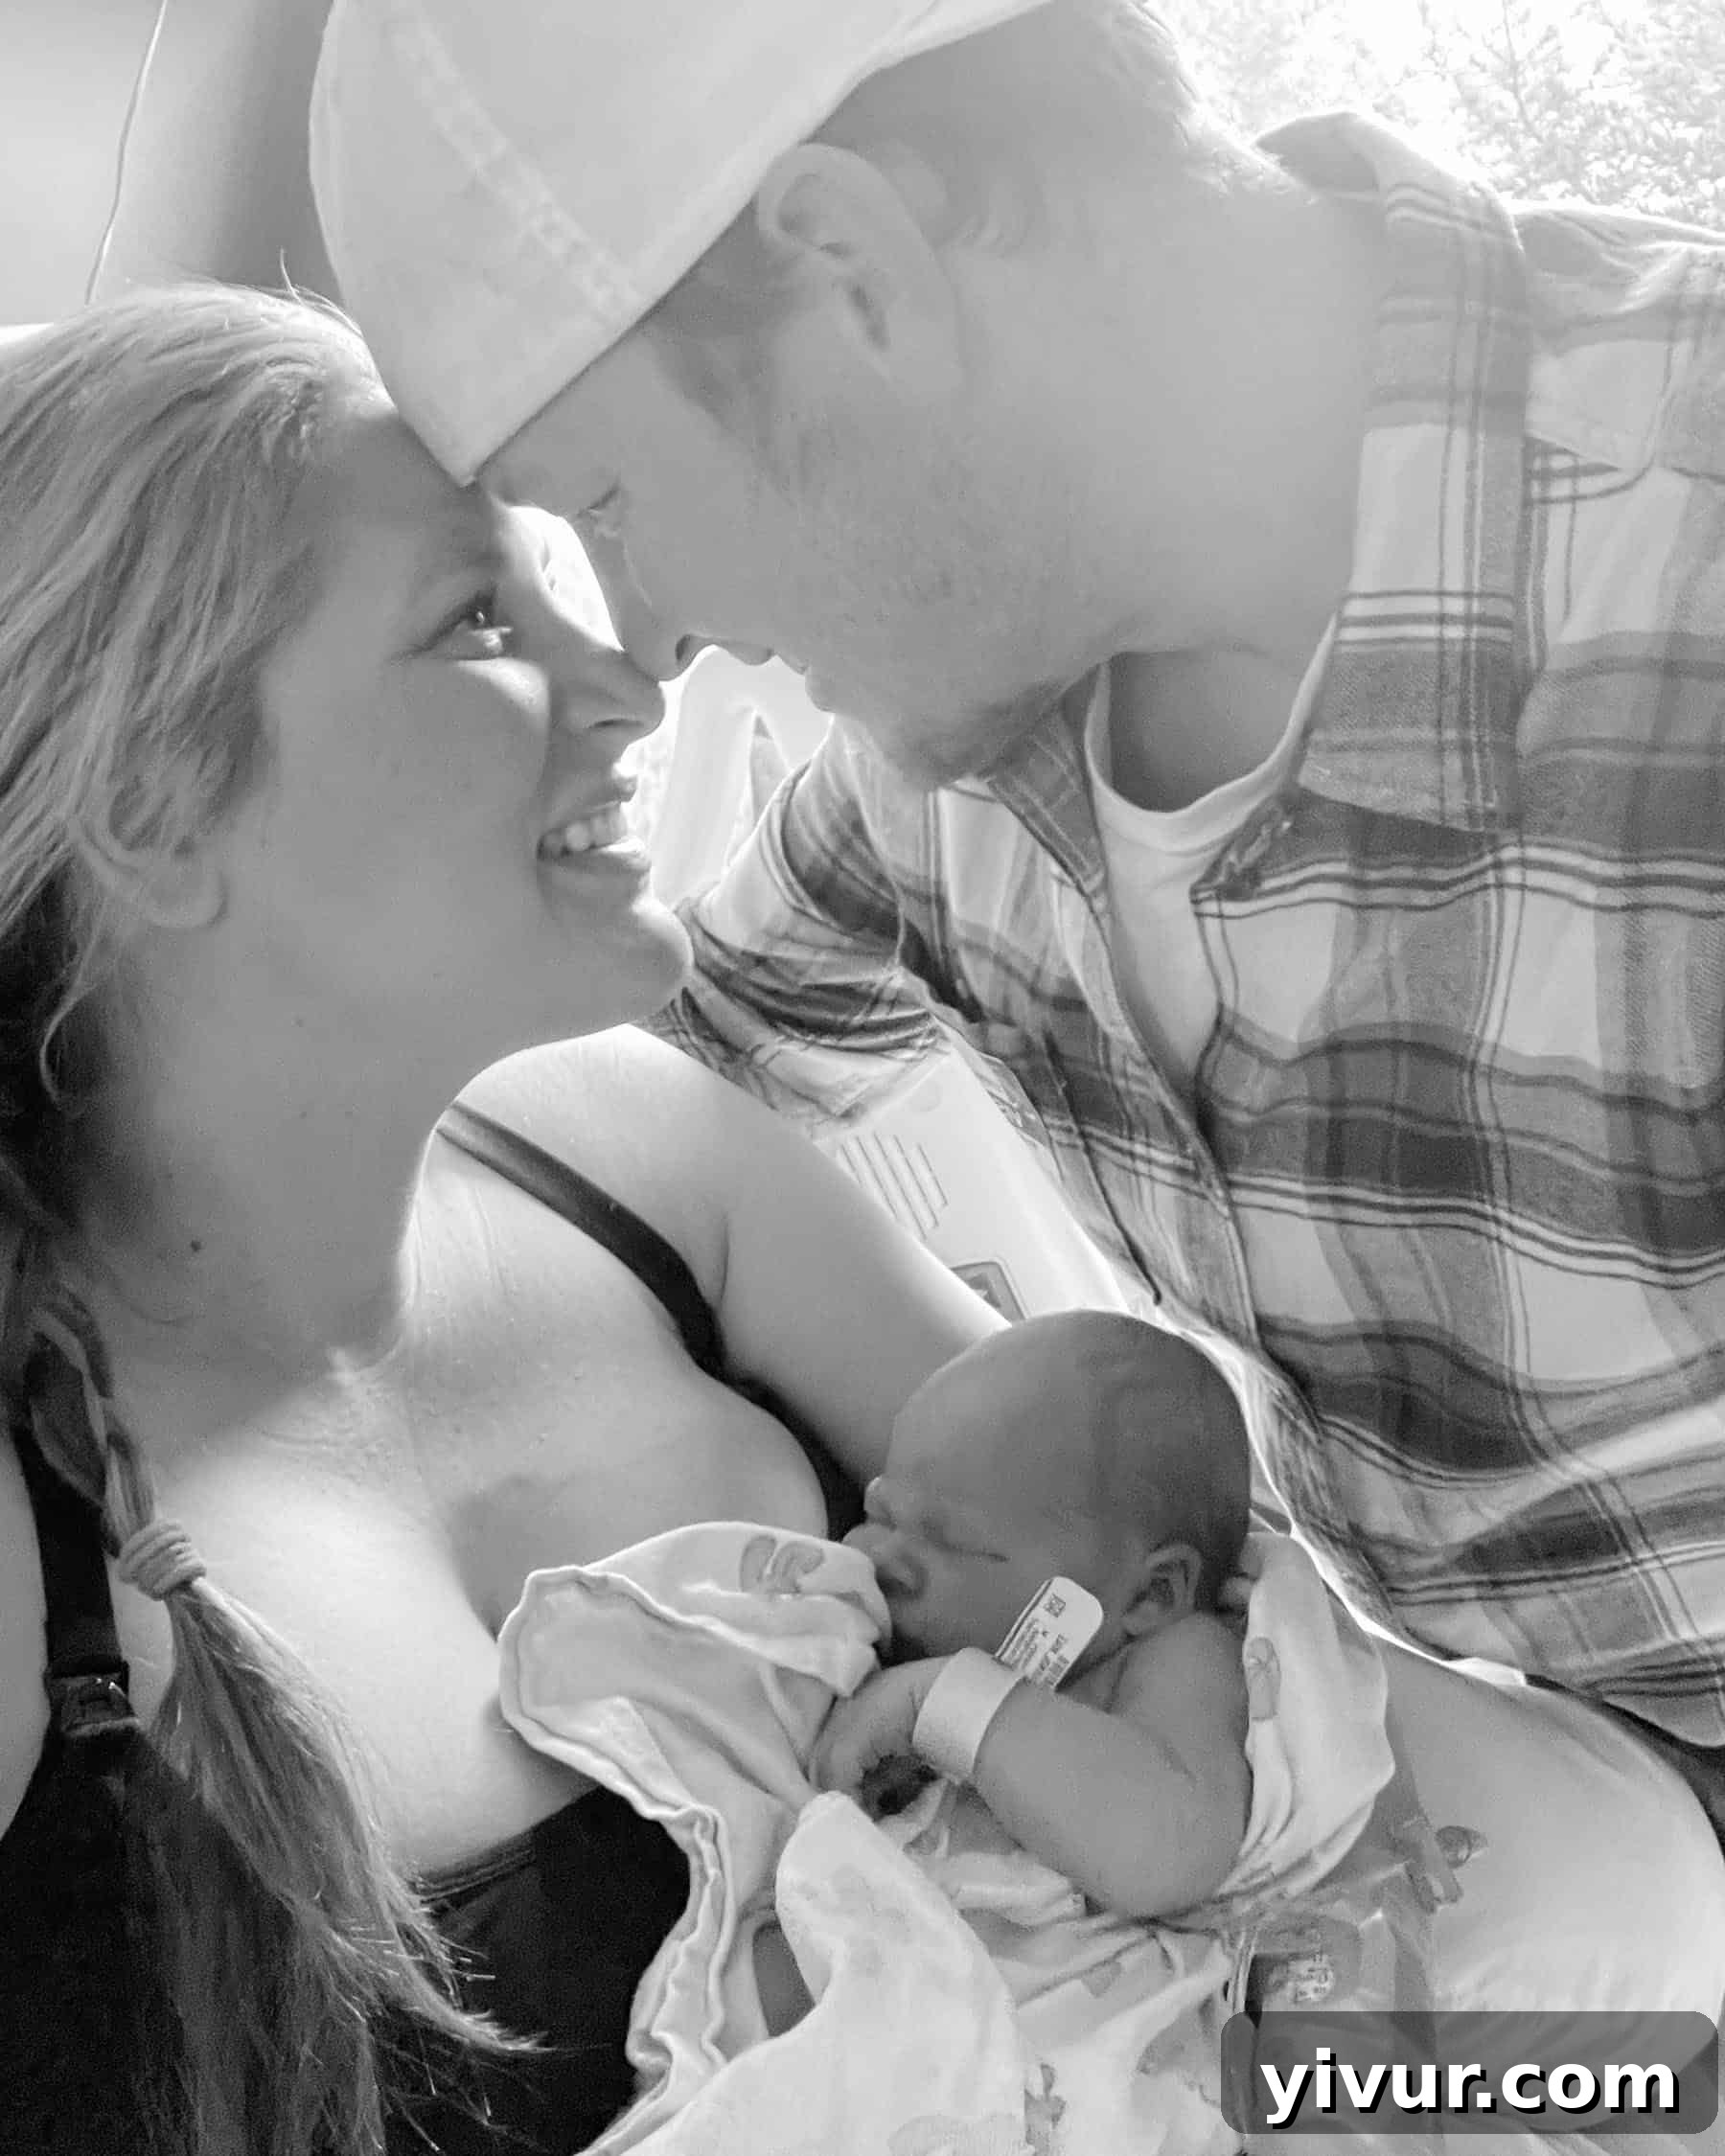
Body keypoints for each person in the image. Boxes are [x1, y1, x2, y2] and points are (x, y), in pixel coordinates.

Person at [305, 0, 1725, 1818]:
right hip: (1413, 1756)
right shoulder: (963, 722)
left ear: (857, 274)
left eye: (613, 502)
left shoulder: (1668, 610)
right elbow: (656, 1114)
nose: (656, 637)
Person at [0, 285, 1001, 2156]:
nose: (634, 675)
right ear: (153, 807)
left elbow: (1171, 1573)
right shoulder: (34, 1570)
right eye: (479, 615)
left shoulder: (640, 1153)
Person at [815, 1311, 1392, 1935]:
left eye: (945, 1540)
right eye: (880, 1515)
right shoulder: (892, 1623)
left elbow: (1167, 1851)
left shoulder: (1181, 1659)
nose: (874, 1555)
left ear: (1151, 1593)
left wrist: (948, 1702)